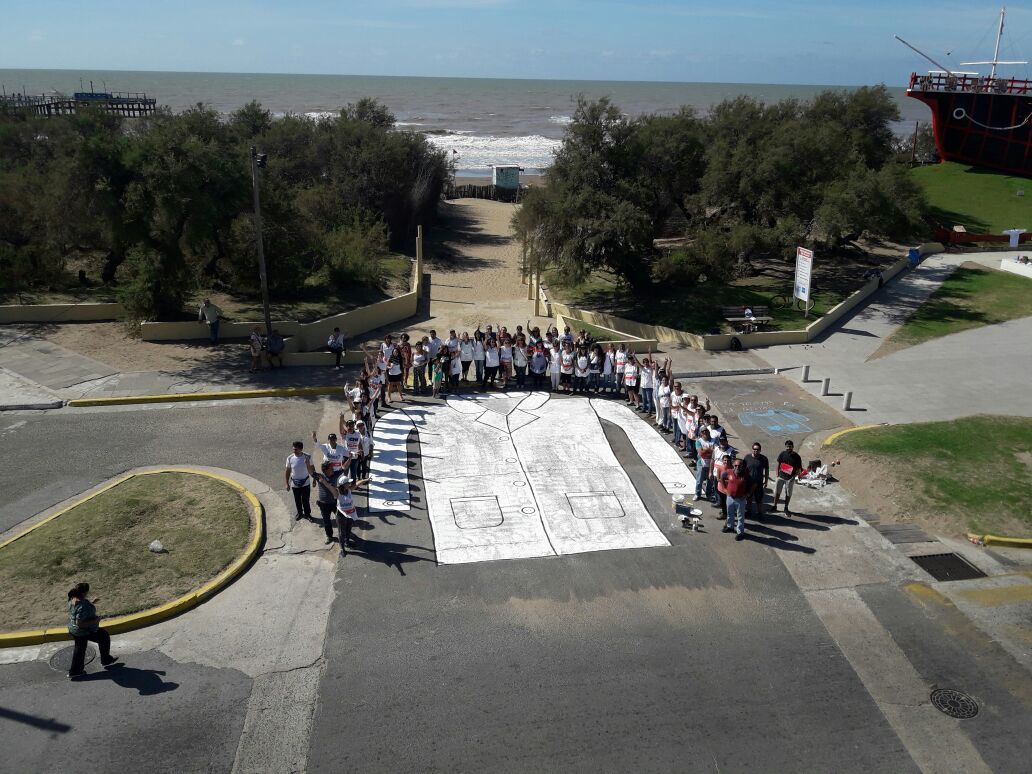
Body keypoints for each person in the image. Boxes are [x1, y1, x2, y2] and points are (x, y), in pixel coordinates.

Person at [67, 582, 118, 678]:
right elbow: (80, 623)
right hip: (83, 631)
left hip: (72, 629)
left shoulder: (72, 598)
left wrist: (92, 602)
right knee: (104, 636)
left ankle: (75, 671)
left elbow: (80, 606)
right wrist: (96, 620)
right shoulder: (82, 605)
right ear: (84, 593)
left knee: (80, 648)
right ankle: (106, 660)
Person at [321, 474, 371, 555]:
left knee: (348, 530)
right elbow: (328, 486)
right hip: (341, 516)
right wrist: (323, 480)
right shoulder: (336, 493)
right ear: (343, 485)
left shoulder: (349, 490)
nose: (350, 484)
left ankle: (347, 542)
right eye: (348, 482)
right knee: (341, 533)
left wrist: (366, 480)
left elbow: (358, 483)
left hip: (350, 515)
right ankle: (342, 548)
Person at [721, 456, 751, 541]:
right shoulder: (729, 472)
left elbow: (753, 484)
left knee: (740, 517)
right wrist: (724, 489)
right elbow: (722, 477)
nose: (737, 467)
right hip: (730, 497)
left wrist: (748, 494)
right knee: (729, 513)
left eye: (739, 466)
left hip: (740, 499)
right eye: (735, 465)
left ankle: (740, 532)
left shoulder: (746, 475)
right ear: (733, 465)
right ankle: (730, 527)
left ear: (742, 466)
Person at [313, 461, 344, 544]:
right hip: (323, 504)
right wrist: (307, 464)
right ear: (325, 470)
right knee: (327, 521)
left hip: (334, 503)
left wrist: (350, 458)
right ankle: (329, 536)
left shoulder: (335, 474)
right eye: (331, 467)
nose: (333, 469)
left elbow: (344, 468)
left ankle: (344, 533)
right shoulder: (320, 477)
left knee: (341, 518)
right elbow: (311, 472)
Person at [284, 441, 315, 521]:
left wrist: (314, 480)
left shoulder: (307, 457)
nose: (294, 451)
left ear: (301, 449)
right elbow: (287, 471)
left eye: (296, 449)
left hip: (306, 483)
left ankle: (308, 514)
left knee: (306, 500)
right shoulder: (290, 458)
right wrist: (287, 483)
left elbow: (312, 468)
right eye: (293, 449)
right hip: (295, 483)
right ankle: (300, 513)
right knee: (297, 500)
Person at [773, 439, 803, 515]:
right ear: (785, 447)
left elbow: (799, 468)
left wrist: (796, 476)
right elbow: (778, 464)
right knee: (777, 492)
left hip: (790, 478)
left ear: (793, 447)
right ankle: (774, 506)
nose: (788, 448)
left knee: (788, 493)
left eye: (790, 447)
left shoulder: (797, 457)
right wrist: (777, 474)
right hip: (781, 476)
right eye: (787, 447)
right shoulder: (782, 454)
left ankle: (786, 508)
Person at [744, 442, 770, 520]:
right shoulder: (747, 457)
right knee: (749, 498)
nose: (756, 451)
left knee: (759, 499)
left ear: (760, 450)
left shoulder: (764, 459)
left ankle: (759, 513)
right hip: (749, 483)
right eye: (754, 449)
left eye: (758, 449)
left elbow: (767, 470)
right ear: (752, 449)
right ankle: (749, 511)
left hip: (759, 483)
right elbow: (743, 469)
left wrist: (766, 481)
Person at [694, 427, 714, 501]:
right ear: (701, 433)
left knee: (710, 481)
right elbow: (700, 453)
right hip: (701, 463)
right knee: (699, 480)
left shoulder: (713, 441)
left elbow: (714, 452)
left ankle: (708, 495)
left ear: (708, 432)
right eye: (703, 431)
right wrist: (709, 449)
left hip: (711, 464)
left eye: (706, 431)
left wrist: (704, 449)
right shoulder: (699, 441)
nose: (705, 432)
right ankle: (697, 494)